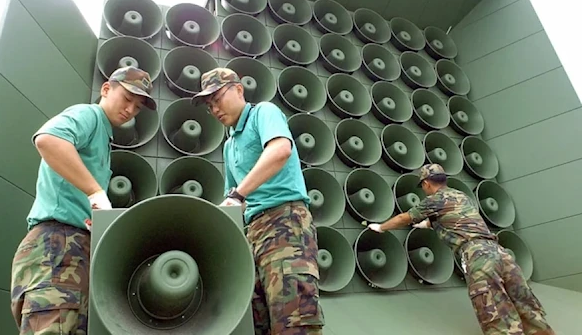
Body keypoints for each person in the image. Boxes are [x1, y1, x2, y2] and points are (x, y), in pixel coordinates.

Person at [9, 66, 156, 334]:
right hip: (58, 243)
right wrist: (95, 191)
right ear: (106, 89)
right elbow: (49, 139)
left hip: (74, 248)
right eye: (127, 98)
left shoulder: (103, 136)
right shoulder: (89, 115)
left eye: (137, 107)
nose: (130, 110)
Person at [191, 67, 325, 334]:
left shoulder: (263, 113)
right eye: (209, 105)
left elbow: (279, 150)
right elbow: (233, 198)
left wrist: (239, 194)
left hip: (285, 223)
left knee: (292, 318)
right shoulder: (229, 145)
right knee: (258, 320)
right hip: (253, 234)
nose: (214, 109)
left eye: (217, 99)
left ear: (238, 90)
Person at [366, 163, 554, 335]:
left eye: (422, 186)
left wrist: (381, 227)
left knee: (497, 316)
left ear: (426, 183)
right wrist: (429, 224)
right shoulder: (461, 196)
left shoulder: (435, 199)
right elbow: (457, 219)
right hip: (500, 252)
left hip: (478, 256)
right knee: (528, 309)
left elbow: (404, 218)